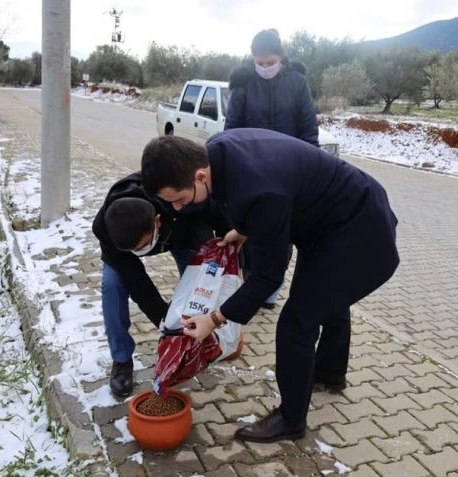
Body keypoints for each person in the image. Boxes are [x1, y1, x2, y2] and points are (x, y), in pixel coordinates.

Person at [140, 130, 400, 443]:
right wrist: (244, 230)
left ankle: (291, 420)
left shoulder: (259, 191)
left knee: (296, 323)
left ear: (199, 176)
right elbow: (267, 205)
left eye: (179, 200)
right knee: (325, 296)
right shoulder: (218, 152)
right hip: (334, 220)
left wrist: (214, 319)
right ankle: (329, 374)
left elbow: (268, 276)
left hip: (359, 230)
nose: (178, 209)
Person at [92, 172, 227, 397]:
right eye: (133, 250)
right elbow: (139, 284)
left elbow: (213, 225)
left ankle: (201, 340)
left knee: (200, 284)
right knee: (112, 286)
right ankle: (121, 360)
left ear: (157, 220)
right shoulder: (104, 229)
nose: (139, 252)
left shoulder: (177, 200)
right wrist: (168, 328)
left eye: (142, 245)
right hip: (133, 247)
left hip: (181, 234)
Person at [225, 28, 319, 309]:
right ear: (253, 59)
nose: (265, 68)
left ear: (281, 57)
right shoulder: (243, 83)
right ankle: (249, 281)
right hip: (251, 169)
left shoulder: (298, 83)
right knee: (251, 228)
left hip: (289, 171)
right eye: (260, 63)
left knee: (283, 232)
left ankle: (271, 287)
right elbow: (232, 129)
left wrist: (308, 169)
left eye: (270, 62)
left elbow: (308, 130)